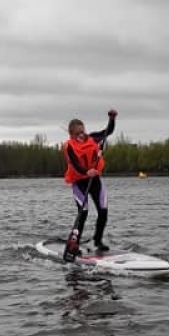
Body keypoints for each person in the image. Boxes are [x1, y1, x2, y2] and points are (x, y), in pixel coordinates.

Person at [61, 110, 118, 259]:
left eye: (82, 130)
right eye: (77, 132)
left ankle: (98, 241)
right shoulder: (69, 146)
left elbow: (108, 131)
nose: (81, 134)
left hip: (95, 181)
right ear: (71, 133)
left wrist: (112, 118)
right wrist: (87, 172)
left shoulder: (92, 138)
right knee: (83, 213)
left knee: (103, 210)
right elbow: (74, 164)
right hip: (79, 182)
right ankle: (74, 244)